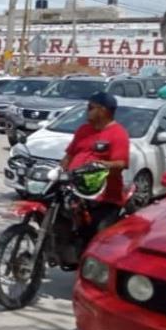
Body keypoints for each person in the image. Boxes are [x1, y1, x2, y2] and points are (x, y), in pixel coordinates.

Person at [60, 91, 130, 237]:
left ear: (103, 110)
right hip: (76, 190)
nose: (87, 111)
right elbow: (69, 155)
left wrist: (101, 165)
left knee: (96, 236)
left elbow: (121, 163)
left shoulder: (118, 133)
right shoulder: (83, 130)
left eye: (91, 107)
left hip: (103, 197)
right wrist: (61, 170)